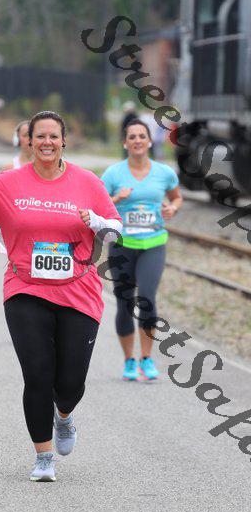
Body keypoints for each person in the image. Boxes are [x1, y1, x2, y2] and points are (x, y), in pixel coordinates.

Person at [0, 110, 122, 482]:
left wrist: (97, 222)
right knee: (37, 375)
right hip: (25, 289)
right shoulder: (6, 183)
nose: (46, 142)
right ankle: (43, 457)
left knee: (70, 384)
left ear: (64, 141)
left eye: (53, 136)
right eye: (39, 136)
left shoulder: (88, 182)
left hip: (79, 291)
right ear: (28, 141)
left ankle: (64, 415)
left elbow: (114, 230)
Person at [101, 119, 182, 382]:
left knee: (147, 297)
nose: (137, 140)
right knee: (125, 302)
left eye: (141, 136)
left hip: (153, 244)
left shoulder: (164, 172)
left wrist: (172, 208)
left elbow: (176, 197)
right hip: (122, 245)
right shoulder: (113, 174)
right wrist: (117, 199)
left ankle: (146, 358)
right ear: (125, 143)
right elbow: (98, 206)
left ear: (149, 141)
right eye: (132, 137)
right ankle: (129, 360)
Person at [0, 121, 33, 253]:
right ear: (17, 139)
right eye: (26, 135)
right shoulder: (9, 168)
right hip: (16, 229)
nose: (29, 139)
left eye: (33, 135)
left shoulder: (48, 168)